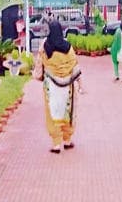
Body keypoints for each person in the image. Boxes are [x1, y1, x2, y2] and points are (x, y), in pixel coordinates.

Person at [34, 20, 83, 153]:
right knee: (68, 112)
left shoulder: (45, 46)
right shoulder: (68, 47)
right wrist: (80, 84)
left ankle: (56, 144)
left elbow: (39, 64)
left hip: (51, 87)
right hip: (68, 87)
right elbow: (75, 64)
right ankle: (67, 140)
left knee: (52, 112)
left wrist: (39, 76)